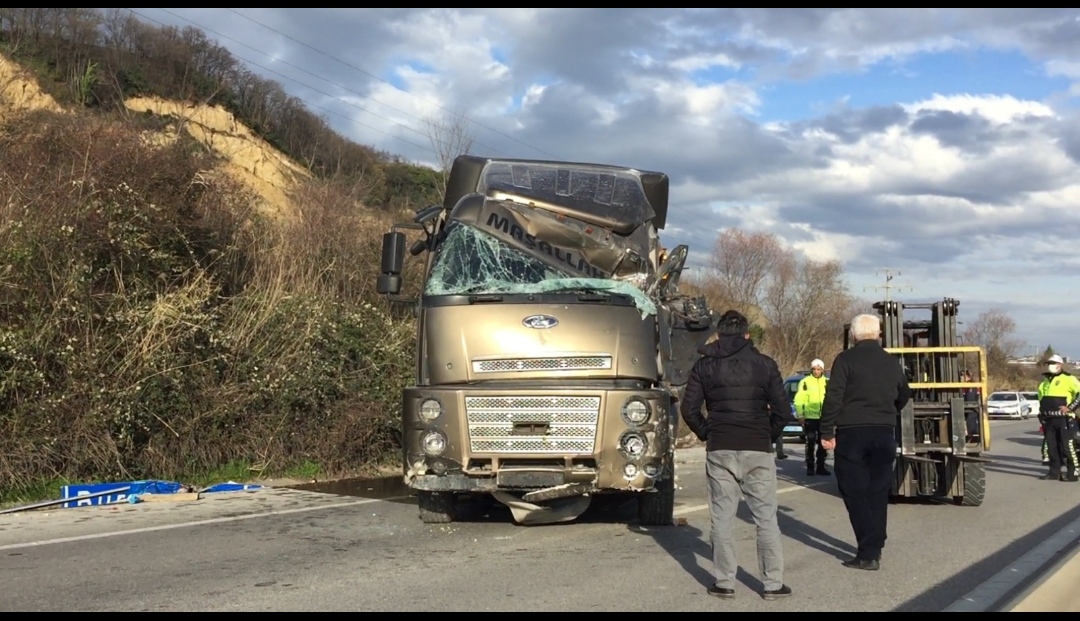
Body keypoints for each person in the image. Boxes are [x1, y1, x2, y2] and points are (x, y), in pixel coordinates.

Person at [680, 309, 794, 601]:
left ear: (719, 335)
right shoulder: (765, 365)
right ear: (747, 335)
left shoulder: (704, 366)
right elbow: (783, 411)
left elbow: (689, 410)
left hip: (721, 447)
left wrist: (707, 433)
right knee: (766, 518)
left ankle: (725, 582)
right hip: (757, 447)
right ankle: (772, 584)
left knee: (722, 518)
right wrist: (766, 435)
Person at [819, 313, 912, 571]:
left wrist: (827, 431)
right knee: (878, 491)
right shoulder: (891, 362)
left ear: (853, 335)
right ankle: (877, 543)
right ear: (879, 334)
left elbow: (834, 396)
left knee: (853, 490)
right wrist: (888, 411)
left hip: (852, 432)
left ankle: (868, 551)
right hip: (884, 432)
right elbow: (905, 393)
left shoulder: (845, 359)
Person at [1037, 355, 1080, 482]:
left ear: (1060, 364)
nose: (1051, 365)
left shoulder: (1069, 379)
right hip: (1049, 419)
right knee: (1052, 447)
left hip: (1065, 419)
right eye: (1049, 363)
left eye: (1053, 363)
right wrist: (1042, 414)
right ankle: (1053, 472)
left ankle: (1073, 473)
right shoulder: (1044, 381)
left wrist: (1070, 408)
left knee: (1067, 447)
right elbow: (1041, 399)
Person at [794, 359, 830, 476]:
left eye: (818, 369)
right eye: (814, 369)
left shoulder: (827, 382)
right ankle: (810, 466)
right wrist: (800, 415)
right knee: (810, 441)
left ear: (822, 370)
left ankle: (821, 466)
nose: (816, 371)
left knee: (822, 442)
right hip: (810, 417)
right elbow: (799, 400)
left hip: (824, 417)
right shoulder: (805, 382)